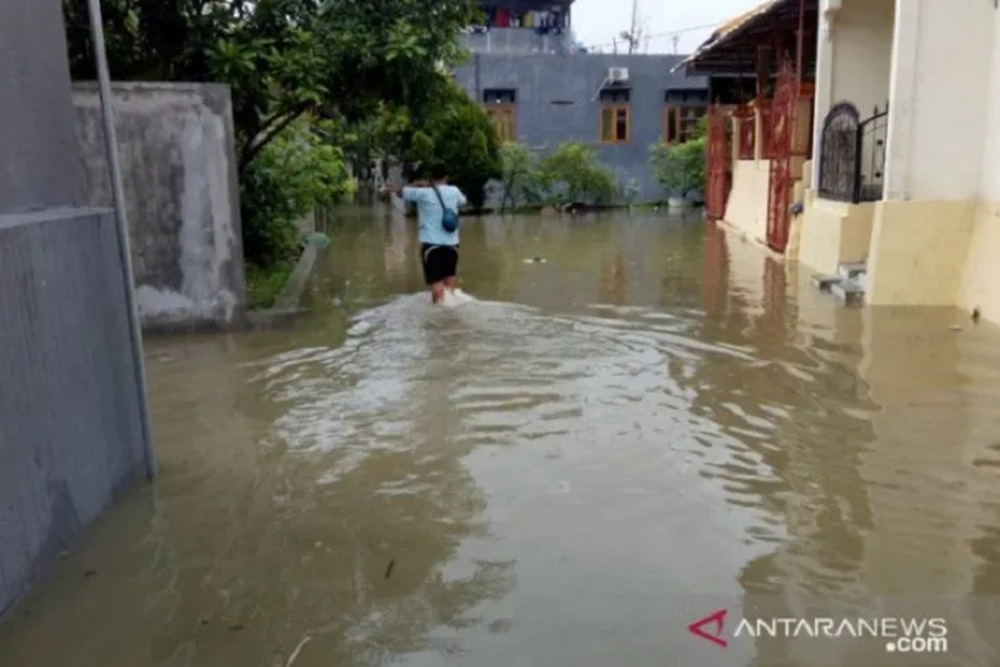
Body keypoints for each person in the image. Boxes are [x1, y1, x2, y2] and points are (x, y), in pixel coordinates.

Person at [384, 163, 467, 304]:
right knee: (450, 278)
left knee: (436, 282)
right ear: (447, 176)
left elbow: (399, 192)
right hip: (452, 245)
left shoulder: (423, 193)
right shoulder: (454, 191)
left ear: (430, 177)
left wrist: (417, 184)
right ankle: (452, 309)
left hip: (432, 246)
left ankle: (439, 312)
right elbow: (463, 202)